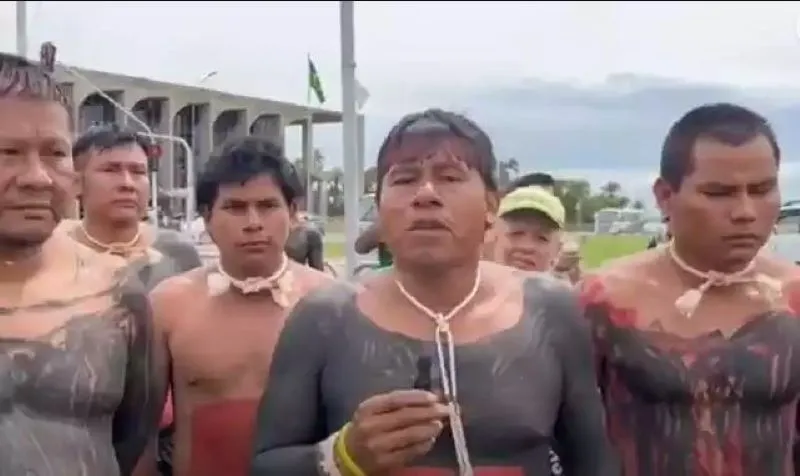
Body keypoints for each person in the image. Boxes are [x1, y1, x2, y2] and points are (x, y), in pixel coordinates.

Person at [250, 109, 618, 475]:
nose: (426, 194)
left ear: (491, 205)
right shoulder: (324, 317)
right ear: (379, 206)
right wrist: (343, 456)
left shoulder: (550, 310)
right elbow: (265, 466)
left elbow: (594, 462)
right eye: (405, 179)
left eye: (450, 177)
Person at [580, 102, 800, 475]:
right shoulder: (605, 299)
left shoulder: (792, 297)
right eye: (719, 193)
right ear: (666, 196)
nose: (745, 211)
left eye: (762, 189)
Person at [0, 52, 164, 475]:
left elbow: (133, 438)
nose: (37, 177)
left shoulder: (116, 295)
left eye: (55, 153)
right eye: (7, 152)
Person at [147, 136, 333, 476]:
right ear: (206, 218)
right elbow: (143, 429)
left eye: (267, 205)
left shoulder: (332, 303)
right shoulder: (169, 305)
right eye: (234, 207)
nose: (253, 223)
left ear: (293, 214)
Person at [57, 124, 202, 476]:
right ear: (77, 183)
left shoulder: (176, 255)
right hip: (72, 434)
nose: (127, 182)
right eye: (110, 170)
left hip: (163, 439)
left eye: (137, 171)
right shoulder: (51, 252)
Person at [492, 185, 566, 273]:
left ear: (557, 250)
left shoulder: (562, 286)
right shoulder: (475, 284)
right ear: (495, 237)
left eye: (542, 238)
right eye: (516, 233)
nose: (527, 246)